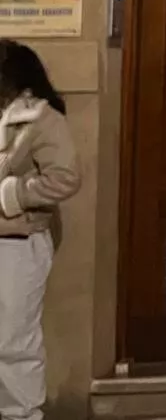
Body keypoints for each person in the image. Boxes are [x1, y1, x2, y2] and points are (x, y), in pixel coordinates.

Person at [0, 41, 79, 420]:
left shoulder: (40, 118)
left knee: (13, 343)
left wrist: (13, 194)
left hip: (18, 243)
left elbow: (65, 178)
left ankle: (23, 416)